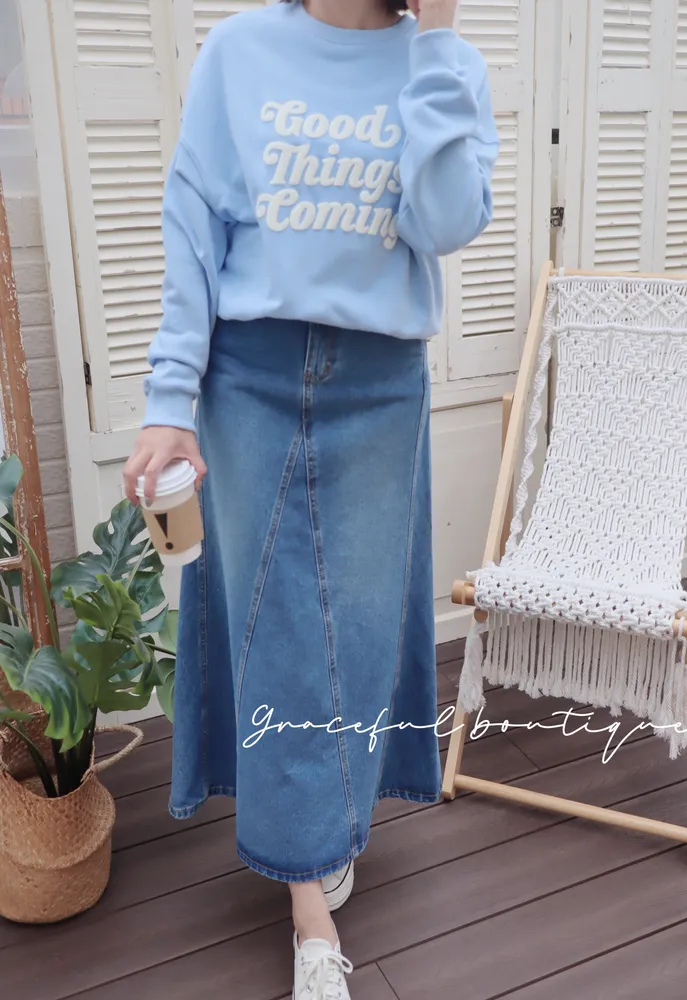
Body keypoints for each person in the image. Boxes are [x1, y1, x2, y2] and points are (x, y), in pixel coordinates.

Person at [123, 1, 497, 996]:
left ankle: (321, 827)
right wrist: (169, 399)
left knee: (362, 630)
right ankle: (311, 919)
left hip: (379, 387)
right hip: (248, 378)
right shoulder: (240, 51)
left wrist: (436, 47)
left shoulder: (444, 63)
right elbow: (193, 224)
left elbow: (445, 221)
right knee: (281, 631)